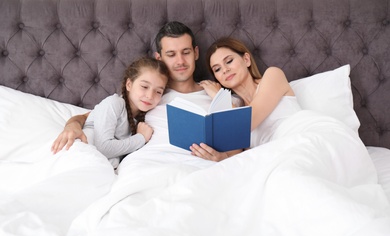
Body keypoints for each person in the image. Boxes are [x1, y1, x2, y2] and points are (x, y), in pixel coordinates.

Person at [51, 21, 241, 160]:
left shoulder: (217, 95)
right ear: (159, 58)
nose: (180, 62)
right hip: (148, 164)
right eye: (171, 54)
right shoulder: (149, 97)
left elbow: (239, 150)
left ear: (196, 53)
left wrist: (221, 158)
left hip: (199, 167)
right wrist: (72, 126)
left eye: (186, 52)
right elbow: (90, 117)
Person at [190, 37, 300, 161]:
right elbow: (237, 158)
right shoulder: (235, 107)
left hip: (298, 143)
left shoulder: (273, 75)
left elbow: (244, 124)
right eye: (217, 69)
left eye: (229, 61)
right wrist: (220, 158)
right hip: (272, 161)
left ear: (246, 60)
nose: (225, 70)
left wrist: (218, 96)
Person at [52, 56, 169, 168]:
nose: (150, 96)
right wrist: (141, 138)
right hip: (78, 157)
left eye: (158, 92)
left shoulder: (142, 120)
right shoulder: (114, 103)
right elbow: (104, 148)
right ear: (129, 84)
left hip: (99, 166)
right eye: (144, 86)